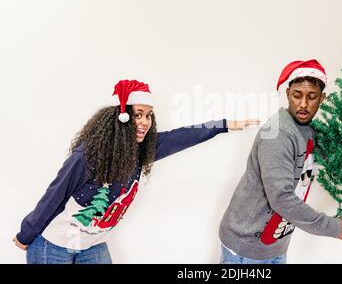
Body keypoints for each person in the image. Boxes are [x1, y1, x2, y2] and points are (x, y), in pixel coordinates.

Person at [13, 79, 258, 264]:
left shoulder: (142, 151)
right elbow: (54, 195)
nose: (144, 121)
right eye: (138, 114)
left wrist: (224, 125)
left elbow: (183, 135)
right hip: (53, 246)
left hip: (92, 243)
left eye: (149, 116)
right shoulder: (87, 156)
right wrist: (26, 234)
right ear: (122, 116)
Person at [219, 60, 342, 264]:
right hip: (247, 248)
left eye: (312, 96)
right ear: (288, 93)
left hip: (273, 244)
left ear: (322, 98)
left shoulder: (307, 129)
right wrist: (332, 227)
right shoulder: (279, 134)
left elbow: (332, 157)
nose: (303, 104)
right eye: (297, 95)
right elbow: (281, 198)